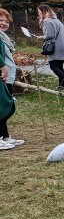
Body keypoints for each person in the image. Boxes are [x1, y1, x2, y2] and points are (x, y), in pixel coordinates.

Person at [36, 3, 64, 90]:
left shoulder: (48, 21)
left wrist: (42, 37)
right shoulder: (56, 20)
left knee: (53, 66)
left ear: (43, 11)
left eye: (39, 12)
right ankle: (61, 86)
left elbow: (50, 35)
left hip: (56, 47)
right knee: (59, 66)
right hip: (63, 45)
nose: (38, 14)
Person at [0, 8, 22, 149]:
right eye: (1, 20)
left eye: (6, 21)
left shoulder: (3, 37)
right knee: (6, 107)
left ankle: (5, 136)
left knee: (7, 107)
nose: (4, 23)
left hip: (8, 76)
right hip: (3, 76)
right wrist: (2, 66)